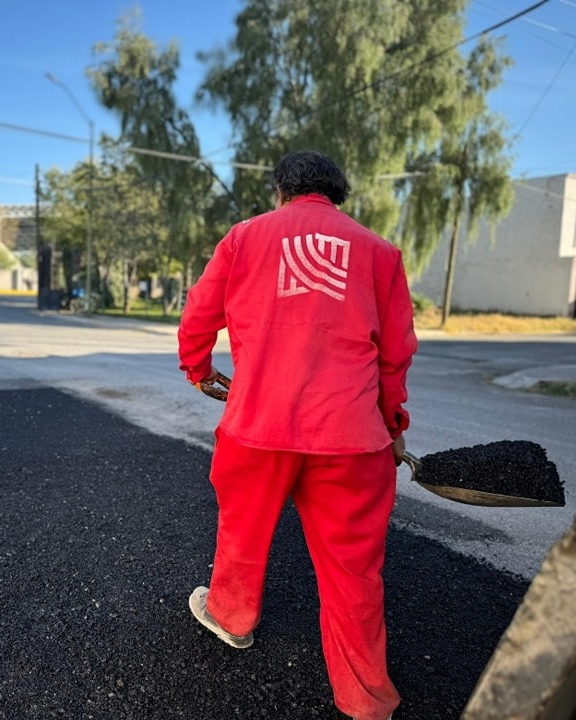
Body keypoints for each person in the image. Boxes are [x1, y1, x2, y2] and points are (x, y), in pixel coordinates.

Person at [177, 150, 416, 720]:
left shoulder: (244, 237)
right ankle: (366, 698)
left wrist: (201, 371)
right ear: (337, 196)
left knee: (243, 529)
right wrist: (392, 424)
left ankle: (232, 619)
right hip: (353, 439)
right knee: (354, 568)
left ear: (281, 191)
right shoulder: (380, 254)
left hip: (258, 427)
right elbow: (395, 355)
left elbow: (198, 319)